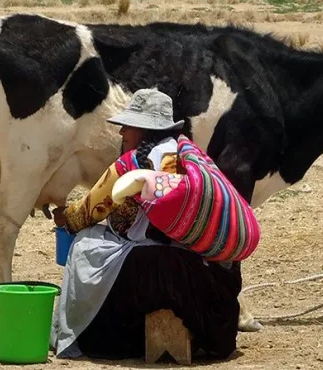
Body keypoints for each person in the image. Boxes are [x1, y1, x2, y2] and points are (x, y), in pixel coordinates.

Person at [50, 89, 242, 361]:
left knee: (86, 244)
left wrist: (63, 217)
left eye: (127, 127)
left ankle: (93, 332)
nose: (121, 134)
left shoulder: (130, 166)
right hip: (208, 278)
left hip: (161, 273)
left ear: (142, 129)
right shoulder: (189, 157)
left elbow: (85, 215)